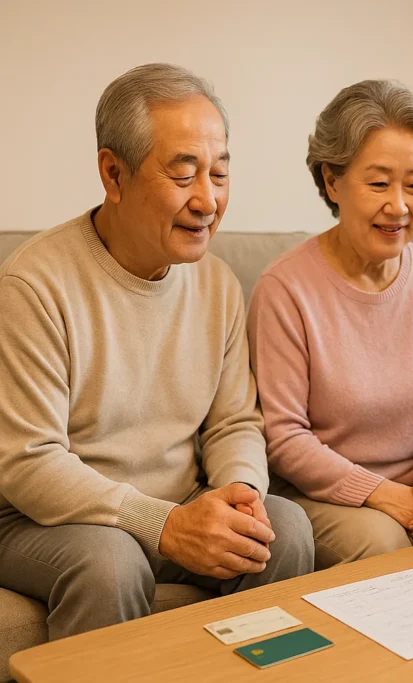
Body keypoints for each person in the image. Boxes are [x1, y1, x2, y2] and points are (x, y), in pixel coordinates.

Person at [0, 63, 314, 640]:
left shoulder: (217, 284)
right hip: (43, 518)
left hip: (177, 503)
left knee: (283, 529)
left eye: (220, 174)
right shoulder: (33, 285)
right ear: (113, 174)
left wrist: (240, 493)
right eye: (184, 173)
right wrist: (165, 525)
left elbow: (234, 423)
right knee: (110, 563)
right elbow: (28, 462)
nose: (208, 200)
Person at [248, 79, 413, 569]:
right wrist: (380, 493)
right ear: (332, 181)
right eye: (378, 183)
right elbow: (284, 436)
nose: (399, 206)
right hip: (321, 493)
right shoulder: (285, 289)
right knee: (384, 547)